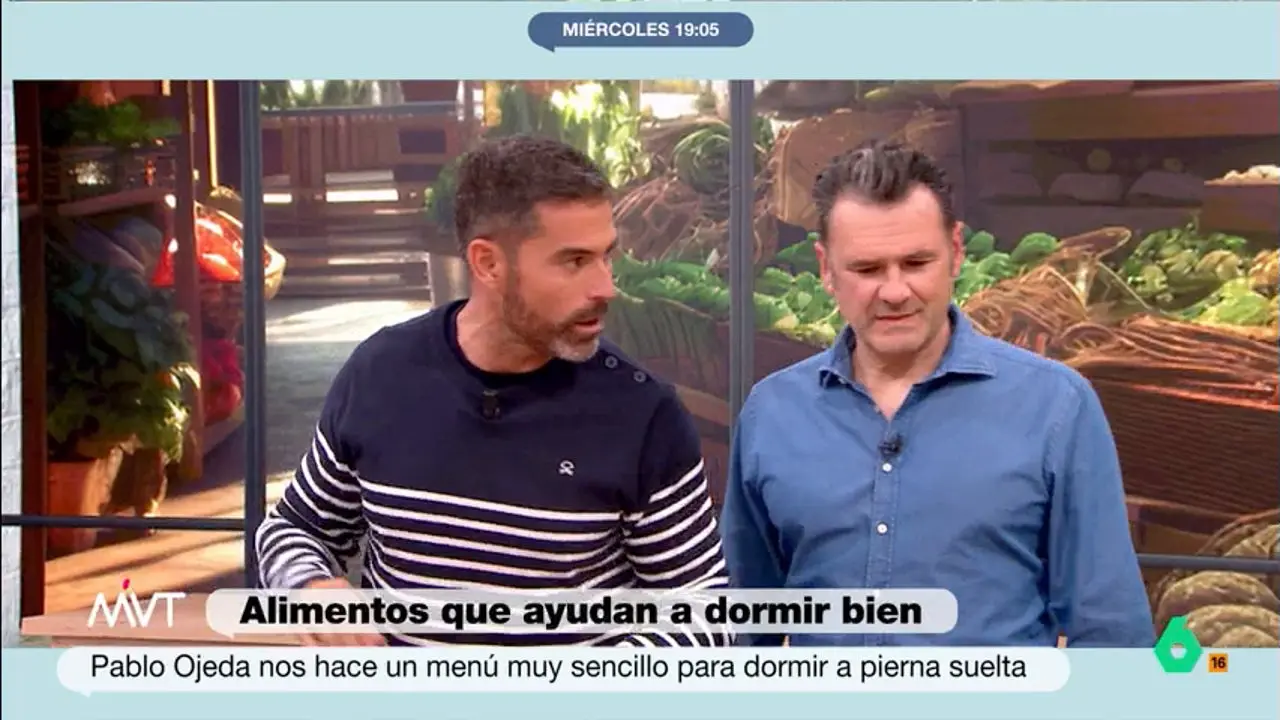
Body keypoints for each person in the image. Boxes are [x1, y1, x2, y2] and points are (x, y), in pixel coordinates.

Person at [256, 134, 730, 647]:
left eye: (605, 257)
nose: (605, 287)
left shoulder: (642, 413)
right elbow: (293, 529)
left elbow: (704, 613)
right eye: (574, 261)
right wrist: (311, 587)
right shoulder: (381, 374)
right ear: (487, 263)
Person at [720, 140, 1154, 647]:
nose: (895, 291)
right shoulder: (773, 413)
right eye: (867, 269)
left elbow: (1110, 633)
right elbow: (743, 621)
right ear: (826, 269)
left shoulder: (1056, 407)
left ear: (956, 252)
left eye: (916, 263)